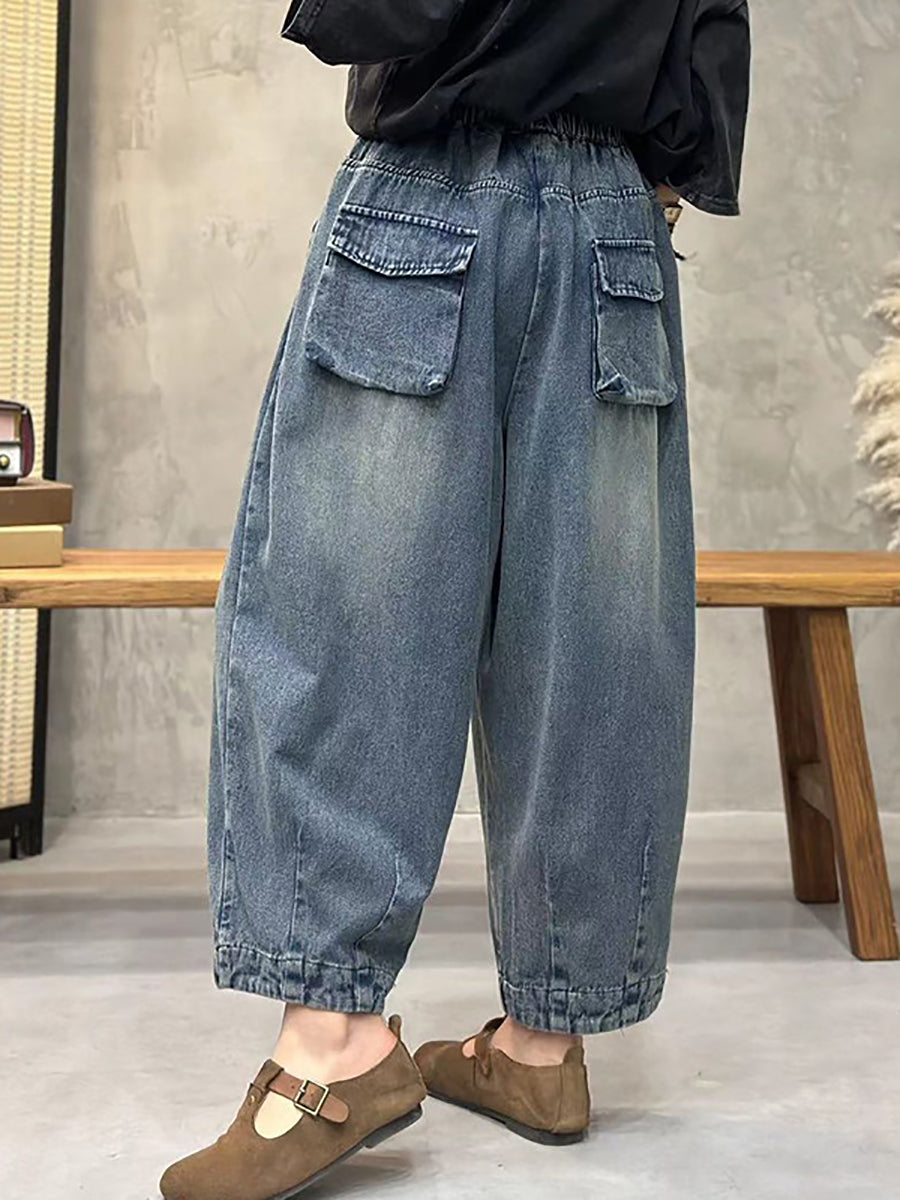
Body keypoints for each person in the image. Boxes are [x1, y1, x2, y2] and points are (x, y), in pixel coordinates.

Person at [160, 2, 750, 1197]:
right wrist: (641, 184)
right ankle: (544, 1047)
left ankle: (333, 1049)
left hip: (427, 198)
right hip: (616, 226)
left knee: (344, 619)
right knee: (590, 642)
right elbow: (713, 32)